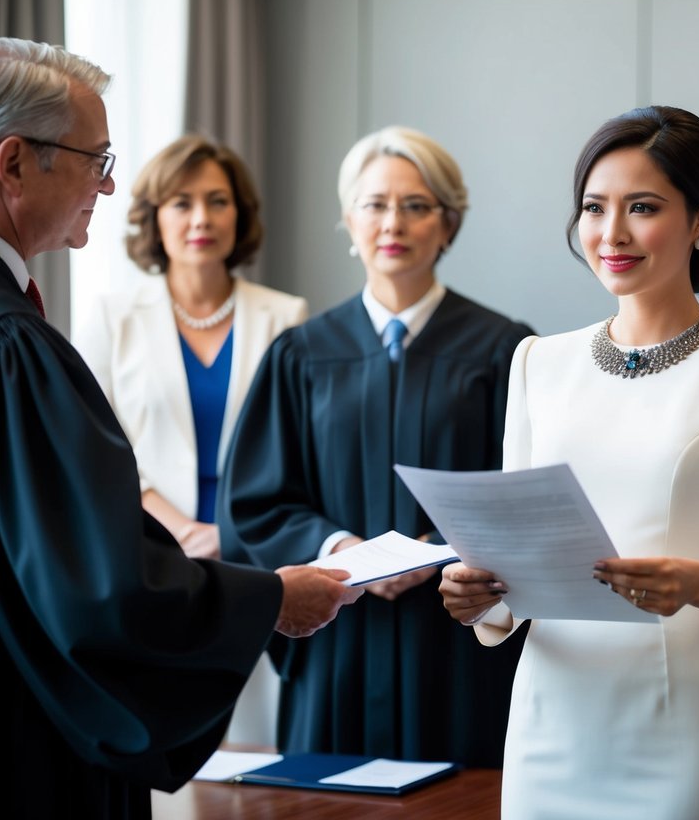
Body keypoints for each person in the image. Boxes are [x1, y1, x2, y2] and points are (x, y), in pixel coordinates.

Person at [0, 37, 360, 820]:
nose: (109, 183)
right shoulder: (11, 345)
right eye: (95, 158)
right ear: (13, 163)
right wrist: (267, 600)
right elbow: (96, 582)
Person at [437, 105, 699, 820]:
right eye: (593, 207)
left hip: (679, 721)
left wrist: (697, 583)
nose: (610, 234)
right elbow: (512, 564)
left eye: (641, 208)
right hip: (549, 717)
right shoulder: (535, 363)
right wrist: (477, 597)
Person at [219, 125, 534, 766]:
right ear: (348, 220)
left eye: (416, 206)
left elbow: (527, 492)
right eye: (375, 204)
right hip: (338, 638)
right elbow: (255, 500)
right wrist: (342, 551)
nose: (394, 222)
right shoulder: (301, 354)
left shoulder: (505, 350)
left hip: (456, 639)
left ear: (448, 224)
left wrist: (440, 548)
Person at [74, 135, 307, 746]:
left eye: (217, 201)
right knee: (168, 747)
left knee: (260, 754)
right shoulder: (110, 316)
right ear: (154, 217)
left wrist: (228, 535)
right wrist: (183, 530)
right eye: (181, 202)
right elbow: (95, 452)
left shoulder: (287, 317)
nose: (201, 218)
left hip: (258, 559)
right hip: (152, 557)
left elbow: (295, 455)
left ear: (240, 215)